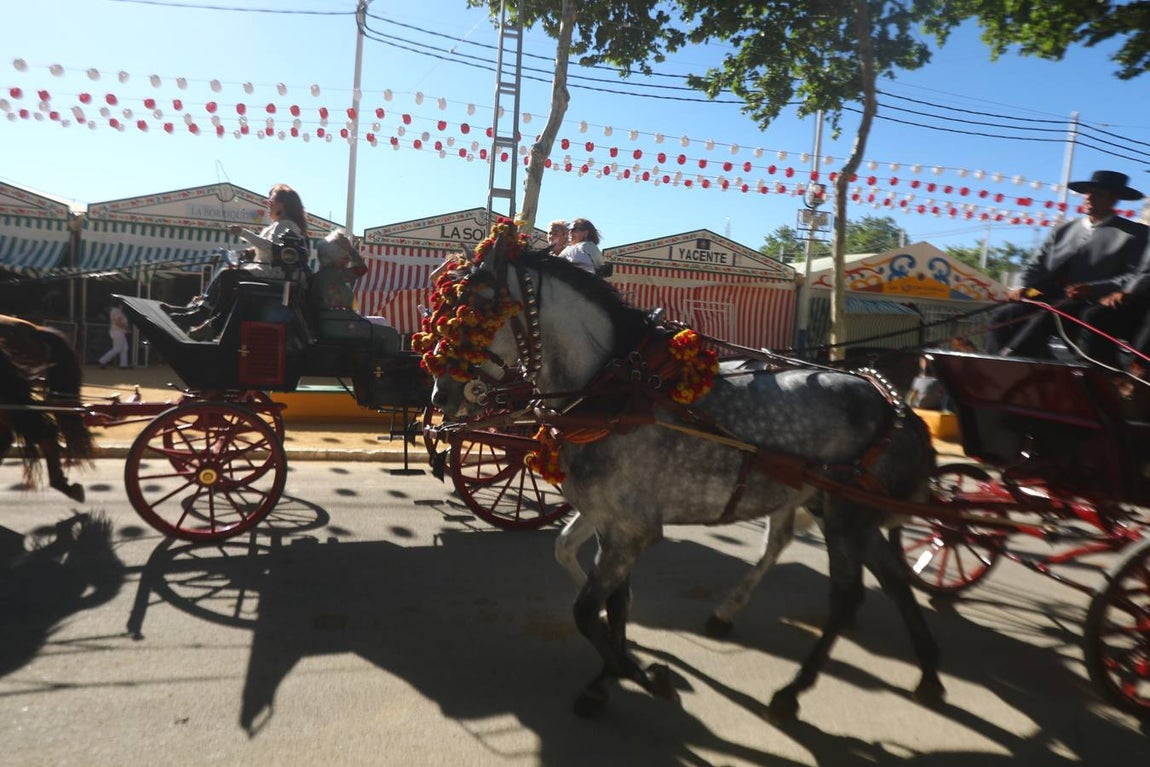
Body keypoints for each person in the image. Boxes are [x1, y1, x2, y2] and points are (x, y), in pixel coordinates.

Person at [986, 170, 1149, 365]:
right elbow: (1035, 265)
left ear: (1114, 199)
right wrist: (1021, 287)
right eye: (1087, 192)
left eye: (1097, 194)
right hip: (1045, 294)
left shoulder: (1135, 233)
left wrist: (1093, 288)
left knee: (1052, 313)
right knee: (1003, 315)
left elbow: (1135, 274)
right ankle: (991, 361)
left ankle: (1009, 362)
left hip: (1092, 301)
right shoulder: (1062, 230)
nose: (1088, 197)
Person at [168, 184, 309, 341]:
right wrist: (251, 252)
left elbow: (274, 249)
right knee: (227, 275)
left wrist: (243, 232)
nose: (268, 204)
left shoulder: (286, 225)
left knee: (227, 275)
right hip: (268, 271)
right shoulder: (281, 225)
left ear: (282, 205)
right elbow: (269, 249)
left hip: (274, 275)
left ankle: (205, 316)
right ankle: (203, 313)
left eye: (271, 200)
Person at [98, 304, 130, 369]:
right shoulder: (117, 311)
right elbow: (117, 322)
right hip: (117, 332)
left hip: (119, 332)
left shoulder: (117, 311)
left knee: (124, 348)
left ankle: (123, 365)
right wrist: (127, 328)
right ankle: (102, 361)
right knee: (117, 348)